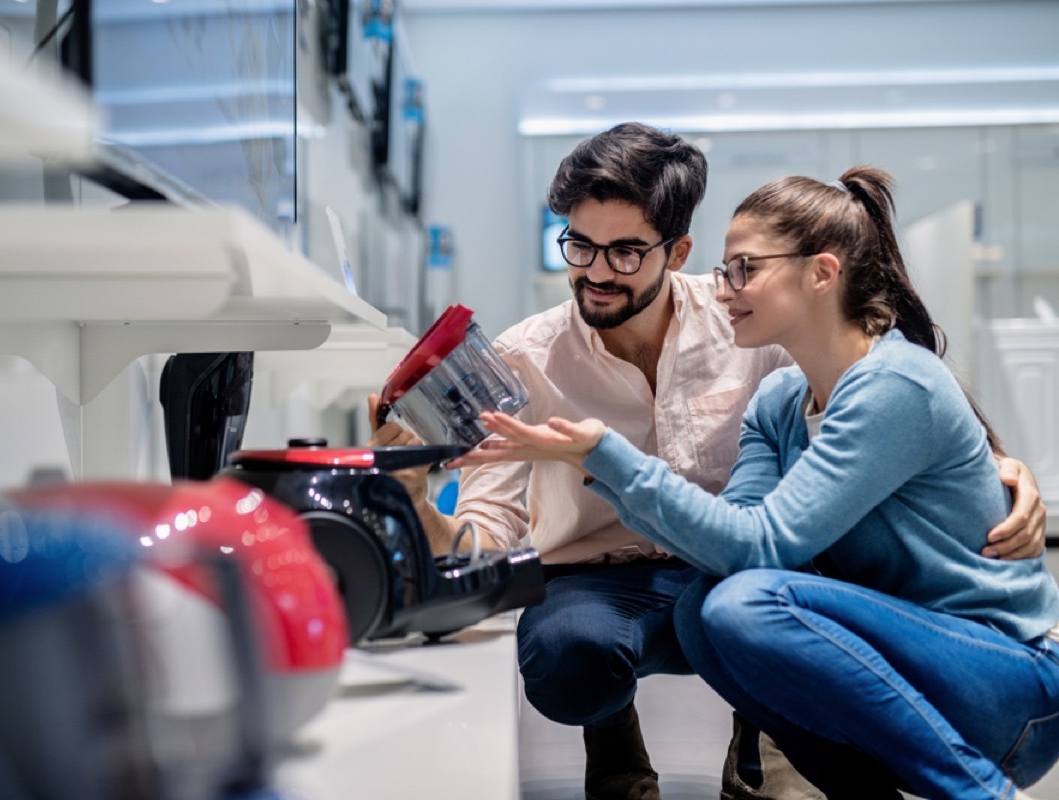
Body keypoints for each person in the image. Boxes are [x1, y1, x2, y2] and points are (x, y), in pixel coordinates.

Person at [367, 124, 1047, 800]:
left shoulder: (761, 330)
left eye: (628, 251)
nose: (598, 271)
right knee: (591, 647)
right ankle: (621, 753)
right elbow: (486, 537)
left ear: (677, 250)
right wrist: (416, 501)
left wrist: (998, 465)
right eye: (579, 245)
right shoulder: (531, 361)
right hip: (613, 582)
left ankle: (795, 765)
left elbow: (879, 417)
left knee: (741, 602)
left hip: (750, 573)